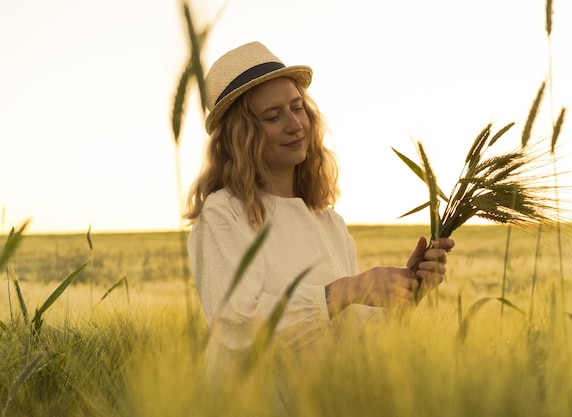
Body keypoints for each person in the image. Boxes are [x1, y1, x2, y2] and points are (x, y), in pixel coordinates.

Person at [184, 42, 455, 371]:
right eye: (273, 116)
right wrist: (347, 290)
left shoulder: (329, 223)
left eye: (297, 108)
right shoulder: (222, 213)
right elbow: (237, 325)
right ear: (241, 136)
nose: (294, 124)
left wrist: (410, 292)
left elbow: (351, 337)